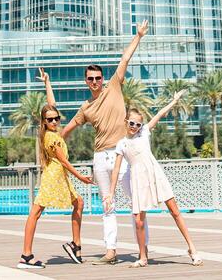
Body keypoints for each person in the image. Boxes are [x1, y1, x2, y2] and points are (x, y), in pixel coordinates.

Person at [40, 20, 149, 265]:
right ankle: (110, 251)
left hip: (122, 154)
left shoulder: (114, 86)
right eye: (90, 79)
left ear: (103, 78)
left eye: (98, 77)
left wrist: (138, 36)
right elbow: (67, 128)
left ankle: (144, 250)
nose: (95, 82)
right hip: (101, 158)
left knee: (136, 204)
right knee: (107, 205)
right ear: (86, 81)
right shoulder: (86, 107)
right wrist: (51, 147)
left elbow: (125, 59)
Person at [105, 93, 203, 269]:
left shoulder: (144, 133)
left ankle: (192, 249)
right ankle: (142, 257)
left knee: (175, 211)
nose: (134, 127)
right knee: (138, 220)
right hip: (137, 178)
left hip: (155, 174)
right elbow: (117, 169)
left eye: (138, 124)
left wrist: (173, 101)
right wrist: (110, 193)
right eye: (132, 123)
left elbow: (159, 114)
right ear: (125, 122)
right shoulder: (122, 144)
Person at [18, 102, 93, 271]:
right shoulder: (51, 137)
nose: (54, 122)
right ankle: (25, 256)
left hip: (60, 177)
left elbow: (51, 102)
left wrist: (47, 82)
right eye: (50, 119)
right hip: (53, 177)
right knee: (35, 213)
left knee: (78, 203)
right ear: (44, 121)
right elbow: (64, 161)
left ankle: (75, 245)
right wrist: (81, 177)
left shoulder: (52, 132)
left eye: (56, 118)